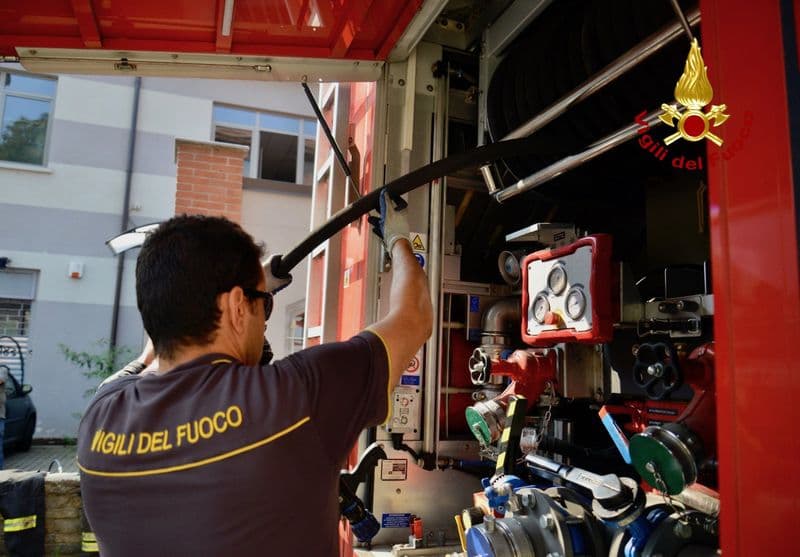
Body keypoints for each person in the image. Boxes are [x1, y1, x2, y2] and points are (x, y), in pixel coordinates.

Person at [76, 190, 432, 556]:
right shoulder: (297, 397)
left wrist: (250, 293)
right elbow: (414, 317)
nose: (264, 320)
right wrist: (399, 239)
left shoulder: (100, 415)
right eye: (263, 305)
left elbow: (147, 356)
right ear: (235, 306)